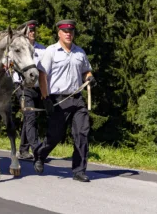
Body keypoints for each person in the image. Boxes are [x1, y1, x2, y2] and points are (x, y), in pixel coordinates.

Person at [33, 19, 96, 182]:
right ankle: (39, 155)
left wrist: (90, 78)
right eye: (65, 31)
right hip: (58, 100)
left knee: (82, 133)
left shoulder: (80, 53)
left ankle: (79, 170)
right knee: (55, 135)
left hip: (77, 99)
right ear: (59, 33)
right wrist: (45, 98)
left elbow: (86, 71)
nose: (68, 34)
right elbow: (42, 75)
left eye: (71, 31)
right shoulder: (51, 51)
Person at [14, 20, 46, 160]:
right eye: (29, 31)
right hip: (22, 87)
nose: (32, 33)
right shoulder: (18, 48)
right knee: (30, 117)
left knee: (30, 119)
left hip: (37, 88)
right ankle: (37, 149)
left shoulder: (43, 49)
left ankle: (23, 150)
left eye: (33, 30)